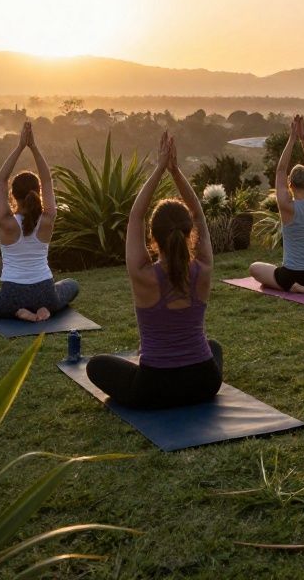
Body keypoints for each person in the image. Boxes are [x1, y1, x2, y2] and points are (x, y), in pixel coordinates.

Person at [86, 132, 223, 409]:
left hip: (154, 388)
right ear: (189, 234)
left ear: (153, 237)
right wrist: (176, 171)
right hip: (203, 383)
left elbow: (135, 216)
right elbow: (198, 213)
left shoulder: (143, 275)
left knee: (96, 366)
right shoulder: (203, 268)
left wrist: (160, 168)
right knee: (214, 346)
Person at [0, 121, 77, 321]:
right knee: (72, 285)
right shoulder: (48, 218)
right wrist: (33, 147)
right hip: (46, 292)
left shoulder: (5, 221)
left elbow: (0, 180)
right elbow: (48, 179)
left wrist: (19, 147)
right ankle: (44, 309)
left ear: (13, 195)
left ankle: (18, 311)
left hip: (11, 296)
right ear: (38, 193)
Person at [249, 115, 304, 294]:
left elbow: (280, 170)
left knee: (255, 267)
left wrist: (292, 138)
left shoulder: (287, 207)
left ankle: (295, 287)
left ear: (290, 184)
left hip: (292, 274)